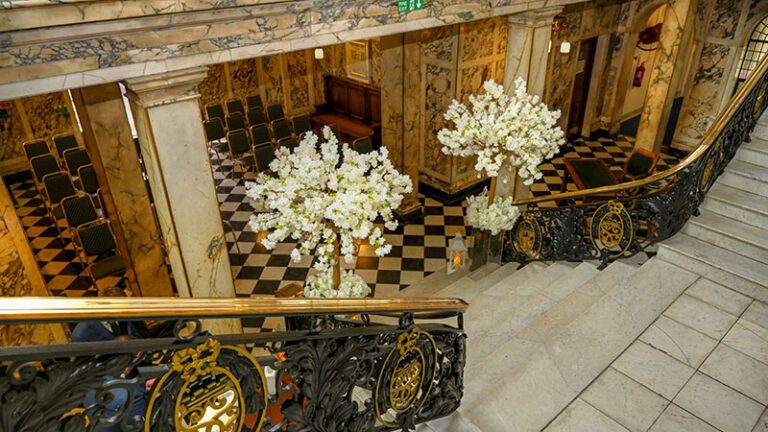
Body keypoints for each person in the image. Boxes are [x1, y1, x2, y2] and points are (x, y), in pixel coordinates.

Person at [71, 286, 146, 431]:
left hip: (131, 374)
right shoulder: (81, 334)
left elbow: (137, 341)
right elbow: (85, 372)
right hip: (102, 384)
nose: (123, 314)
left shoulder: (124, 318)